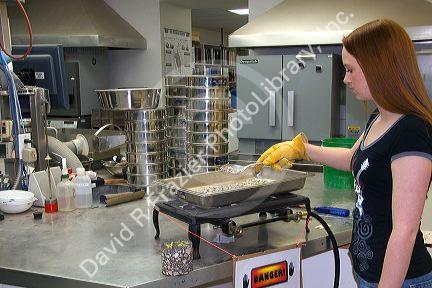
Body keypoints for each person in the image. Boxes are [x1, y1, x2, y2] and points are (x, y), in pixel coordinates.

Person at [257, 19, 432, 287]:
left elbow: (405, 232)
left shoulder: (411, 131)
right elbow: (354, 159)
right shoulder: (380, 117)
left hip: (403, 281)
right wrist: (302, 149)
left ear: (377, 67)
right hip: (368, 273)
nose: (345, 78)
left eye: (350, 70)